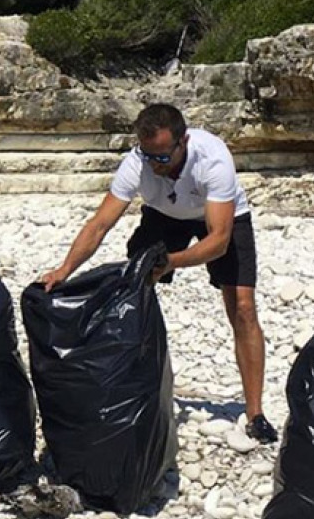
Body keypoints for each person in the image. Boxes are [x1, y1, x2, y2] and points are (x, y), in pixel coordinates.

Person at [39, 103, 278, 444]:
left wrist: (173, 261)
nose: (155, 164)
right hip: (164, 214)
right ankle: (136, 385)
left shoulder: (212, 159)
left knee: (242, 307)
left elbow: (219, 241)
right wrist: (65, 268)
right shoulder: (137, 163)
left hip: (222, 219)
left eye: (163, 157)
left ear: (183, 142)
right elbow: (100, 224)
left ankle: (255, 412)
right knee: (134, 287)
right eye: (149, 155)